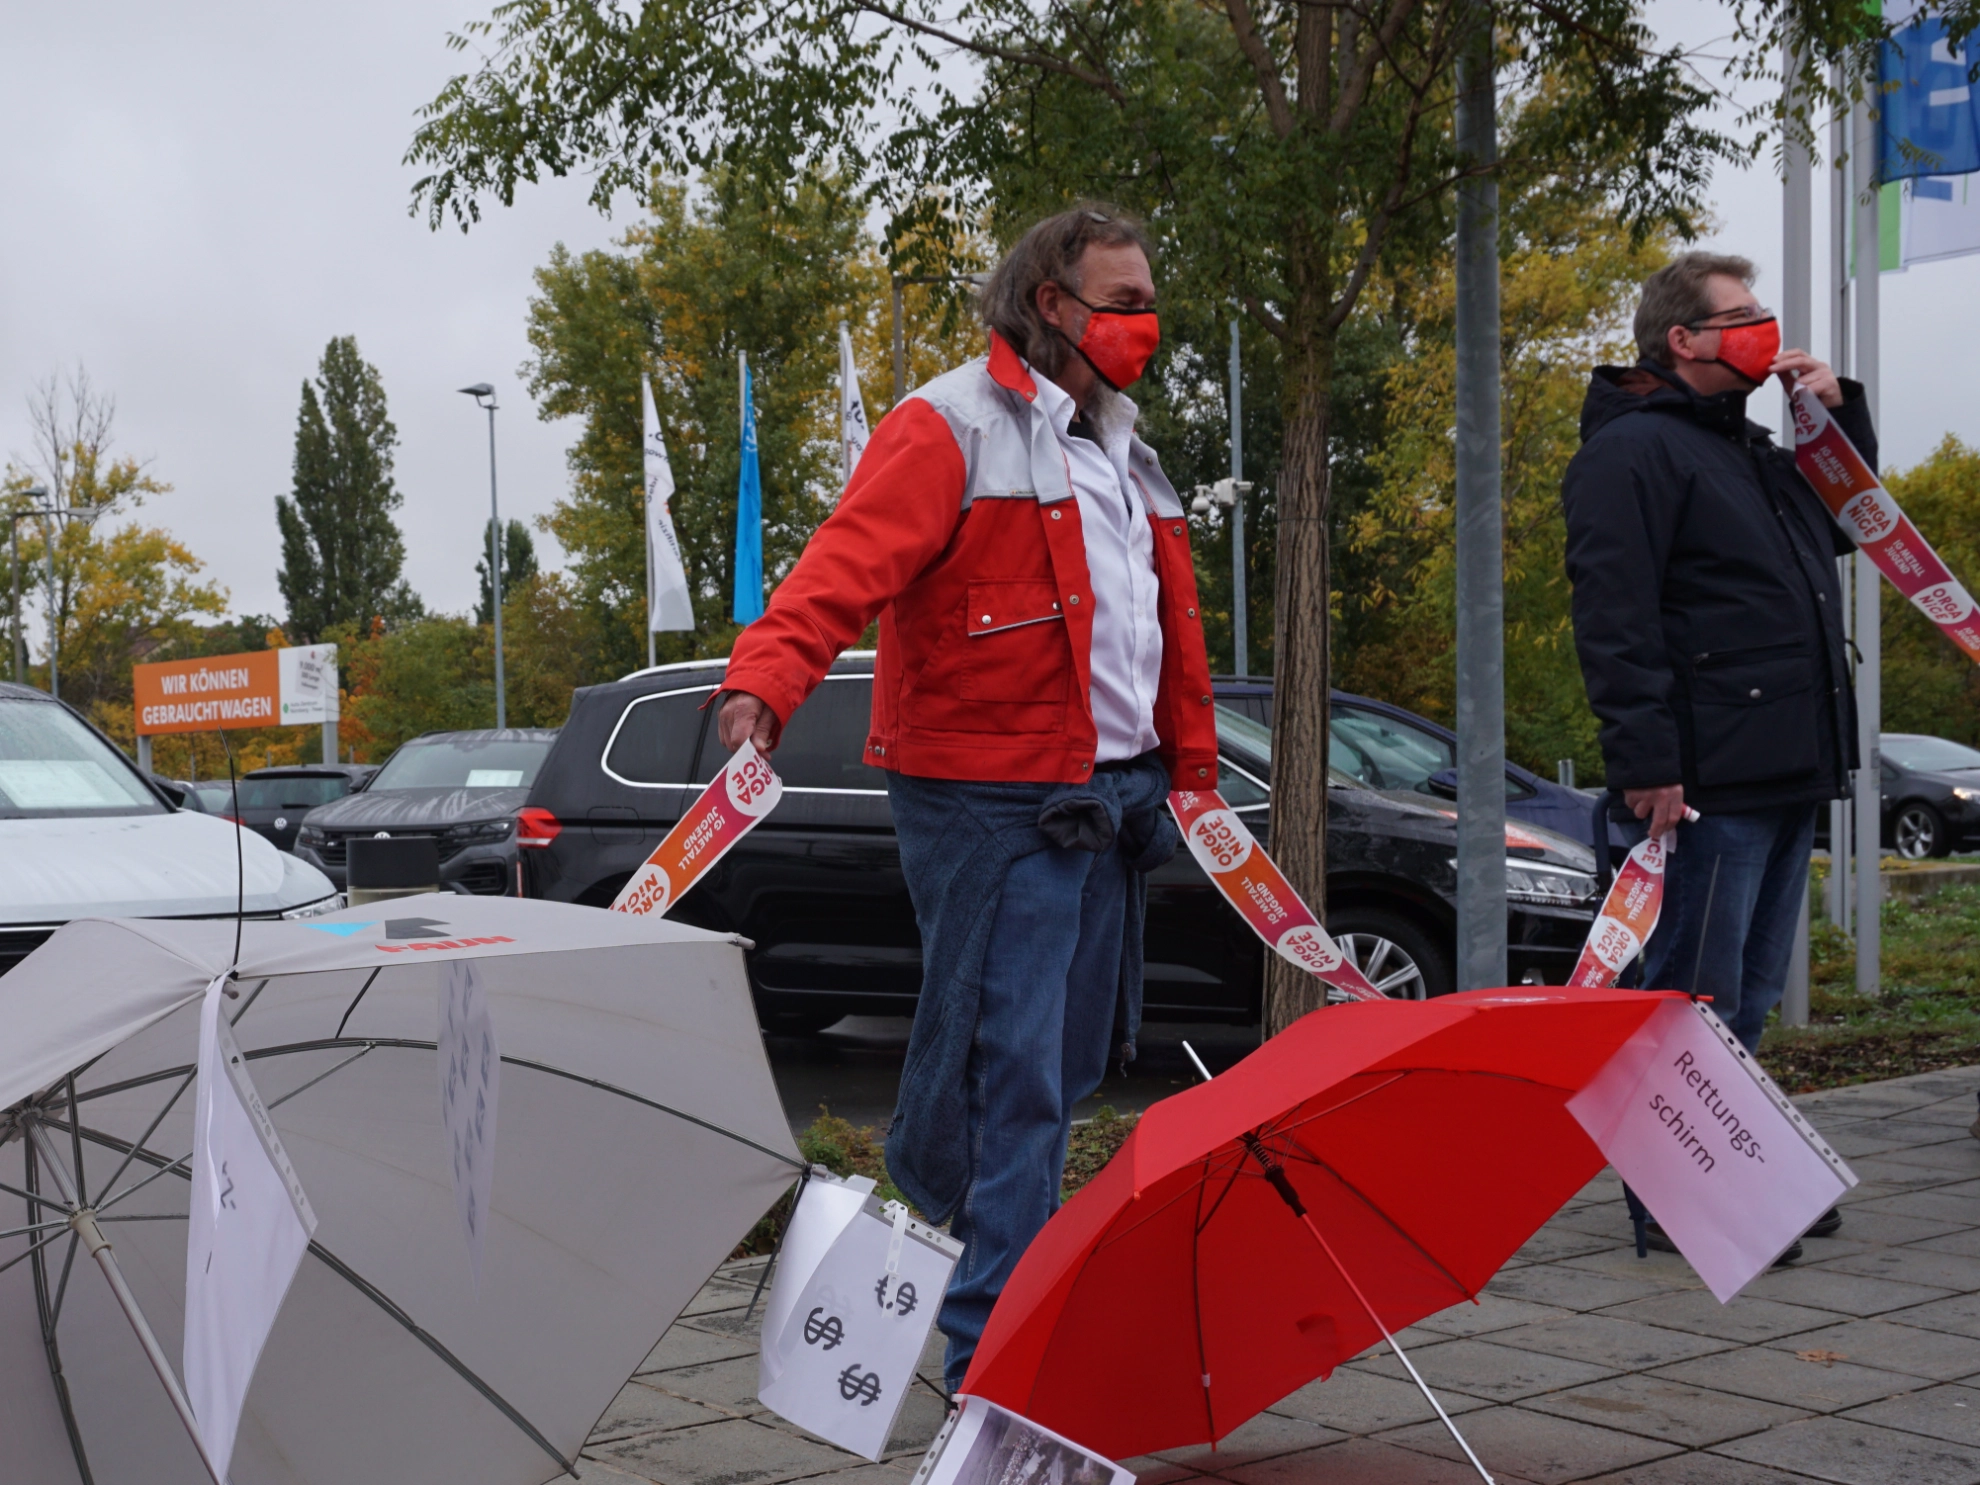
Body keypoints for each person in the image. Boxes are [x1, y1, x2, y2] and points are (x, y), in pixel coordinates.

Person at [715, 205, 1217, 1391]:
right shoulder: (947, 425)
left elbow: (1162, 635)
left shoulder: (1124, 449)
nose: (1148, 322)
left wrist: (1188, 774)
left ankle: (973, 1275)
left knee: (1066, 1060)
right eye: (1125, 300)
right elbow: (836, 570)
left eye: (1151, 300)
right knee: (1015, 1077)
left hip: (1111, 799)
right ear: (1053, 304)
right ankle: (993, 1361)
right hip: (995, 804)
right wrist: (764, 686)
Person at [1562, 251, 1872, 1254]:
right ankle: (1680, 1204)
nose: (1764, 330)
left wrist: (1837, 417)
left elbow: (1840, 529)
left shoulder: (1743, 448)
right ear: (1682, 340)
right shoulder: (1634, 453)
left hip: (1781, 758)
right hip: (1706, 776)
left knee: (1743, 997)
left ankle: (1744, 1179)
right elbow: (1615, 620)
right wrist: (1646, 762)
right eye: (1740, 317)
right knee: (1693, 996)